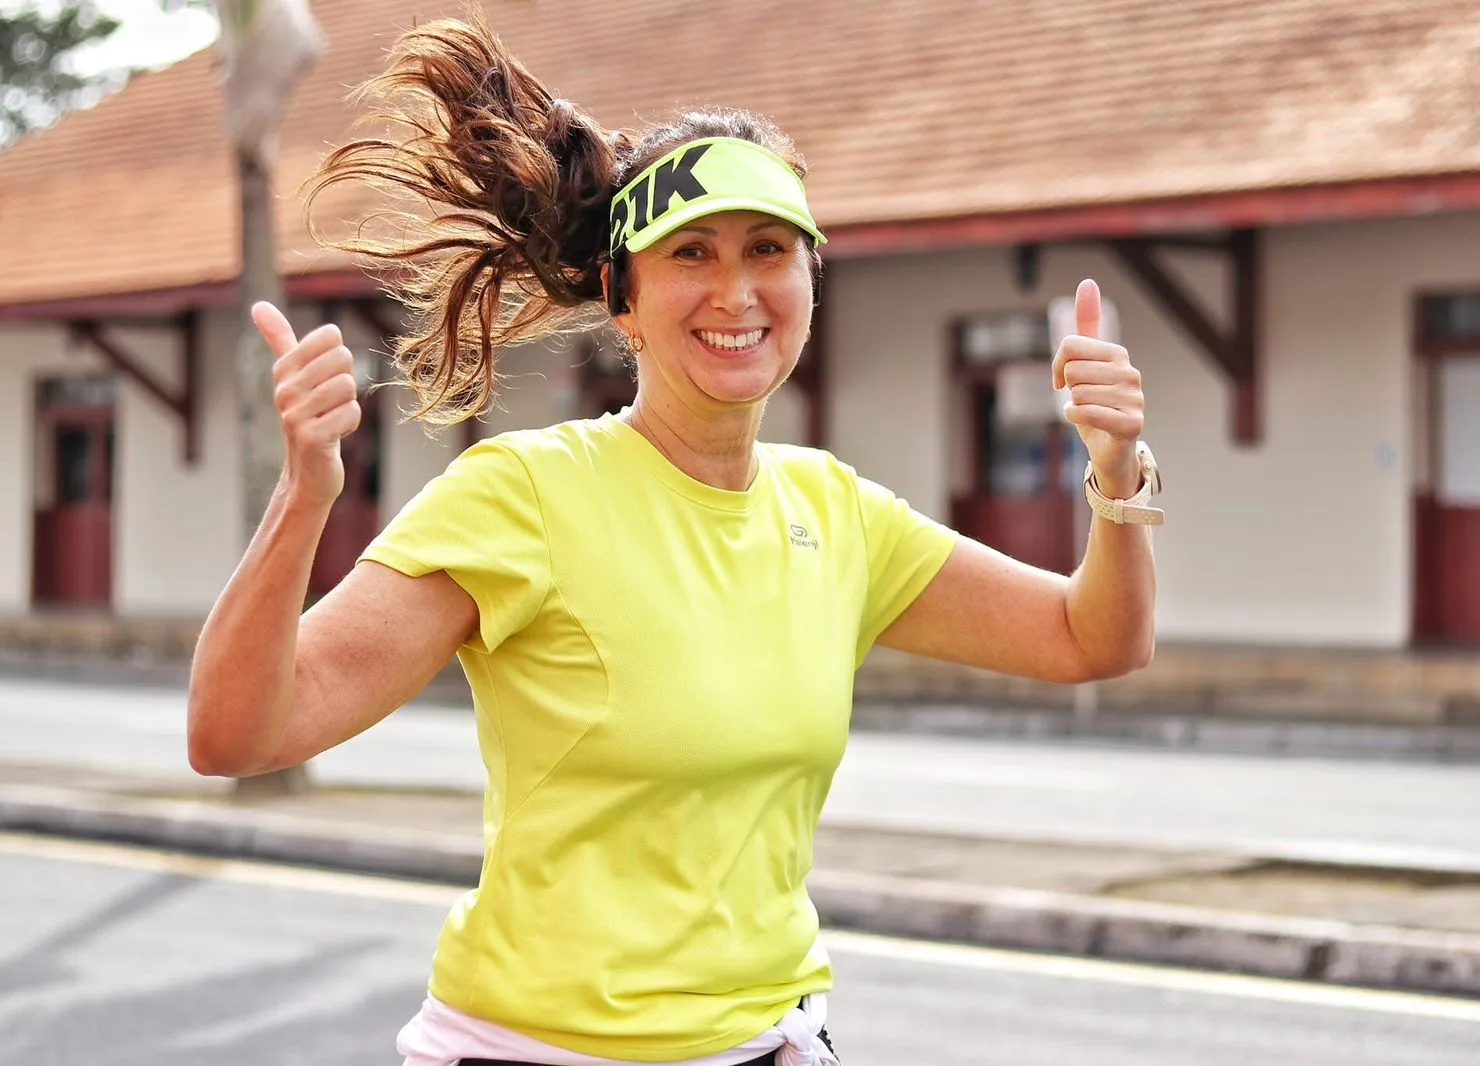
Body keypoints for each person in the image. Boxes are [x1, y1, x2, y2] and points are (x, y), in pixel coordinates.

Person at [186, 12, 1160, 1066]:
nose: (736, 292)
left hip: (771, 1038)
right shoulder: (524, 495)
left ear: (810, 282)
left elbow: (1090, 638)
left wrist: (1117, 474)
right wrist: (304, 496)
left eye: (768, 250)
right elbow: (237, 736)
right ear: (624, 298)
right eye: (691, 252)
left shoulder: (835, 512)